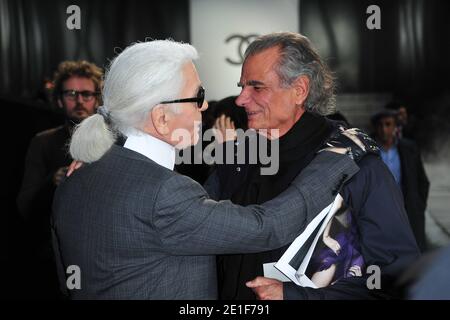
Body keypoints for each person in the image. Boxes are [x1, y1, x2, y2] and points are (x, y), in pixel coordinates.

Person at [51, 40, 370, 299]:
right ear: (162, 118)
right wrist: (338, 157)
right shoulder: (164, 193)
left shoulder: (77, 177)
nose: (205, 106)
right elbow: (267, 227)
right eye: (198, 96)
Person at [209, 32, 420, 300]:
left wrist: (299, 297)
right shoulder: (237, 158)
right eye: (241, 87)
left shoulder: (356, 163)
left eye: (256, 87)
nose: (241, 99)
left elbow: (396, 277)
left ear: (299, 90)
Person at [17, 60, 103, 298]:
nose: (79, 101)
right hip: (53, 256)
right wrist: (51, 182)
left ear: (97, 99)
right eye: (71, 94)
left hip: (106, 255)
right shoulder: (42, 142)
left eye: (86, 94)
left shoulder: (114, 142)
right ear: (58, 99)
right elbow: (25, 206)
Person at [371, 109, 430, 251]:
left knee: (411, 253)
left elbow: (422, 181)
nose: (384, 129)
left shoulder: (409, 148)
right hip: (380, 212)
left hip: (407, 210)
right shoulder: (369, 151)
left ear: (395, 127)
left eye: (388, 124)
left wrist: (418, 206)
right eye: (380, 125)